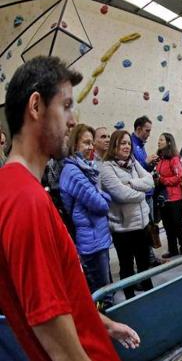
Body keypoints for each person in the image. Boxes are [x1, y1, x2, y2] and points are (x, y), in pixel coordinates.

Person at [0, 56, 139, 361]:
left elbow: (57, 300)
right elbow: (55, 338)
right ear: (36, 107)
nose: (74, 120)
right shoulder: (26, 201)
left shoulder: (14, 189)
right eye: (65, 106)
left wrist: (102, 324)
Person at [60, 124, 114, 308]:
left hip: (97, 235)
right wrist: (106, 197)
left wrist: (100, 196)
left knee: (106, 287)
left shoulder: (85, 167)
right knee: (102, 294)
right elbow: (100, 204)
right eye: (86, 142)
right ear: (74, 144)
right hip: (91, 241)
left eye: (92, 143)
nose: (91, 147)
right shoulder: (73, 171)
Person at [100, 130, 155, 299]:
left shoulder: (133, 162)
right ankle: (130, 300)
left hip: (142, 224)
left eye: (129, 143)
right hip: (123, 229)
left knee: (145, 265)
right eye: (122, 143)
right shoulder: (106, 167)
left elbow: (150, 181)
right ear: (114, 145)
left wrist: (131, 183)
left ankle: (151, 296)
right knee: (127, 268)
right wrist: (142, 193)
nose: (126, 146)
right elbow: (121, 195)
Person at [131, 115, 162, 267]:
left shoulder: (140, 145)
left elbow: (143, 170)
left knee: (149, 227)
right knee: (144, 228)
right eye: (147, 131)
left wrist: (150, 165)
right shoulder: (132, 145)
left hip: (148, 192)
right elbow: (134, 171)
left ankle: (150, 257)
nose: (149, 134)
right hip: (141, 193)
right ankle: (147, 259)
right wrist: (145, 163)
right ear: (138, 129)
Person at [155, 132, 182, 258]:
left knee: (177, 224)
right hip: (164, 199)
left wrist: (163, 180)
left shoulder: (174, 159)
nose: (159, 142)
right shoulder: (161, 160)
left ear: (169, 142)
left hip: (175, 198)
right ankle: (173, 249)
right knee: (167, 226)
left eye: (161, 140)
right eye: (159, 140)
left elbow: (179, 177)